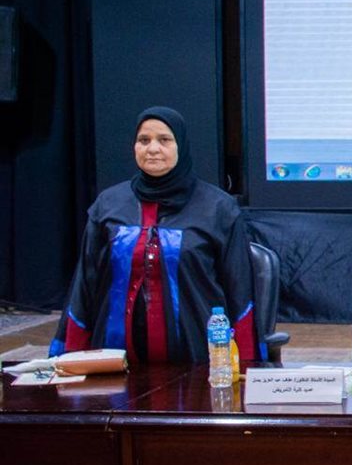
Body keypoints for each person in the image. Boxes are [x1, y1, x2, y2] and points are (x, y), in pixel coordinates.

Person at [52, 107, 263, 363]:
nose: (152, 149)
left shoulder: (217, 208)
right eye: (144, 140)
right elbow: (85, 285)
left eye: (164, 140)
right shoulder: (108, 205)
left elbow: (239, 290)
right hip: (114, 359)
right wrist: (71, 359)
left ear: (180, 145)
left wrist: (246, 365)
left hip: (196, 361)